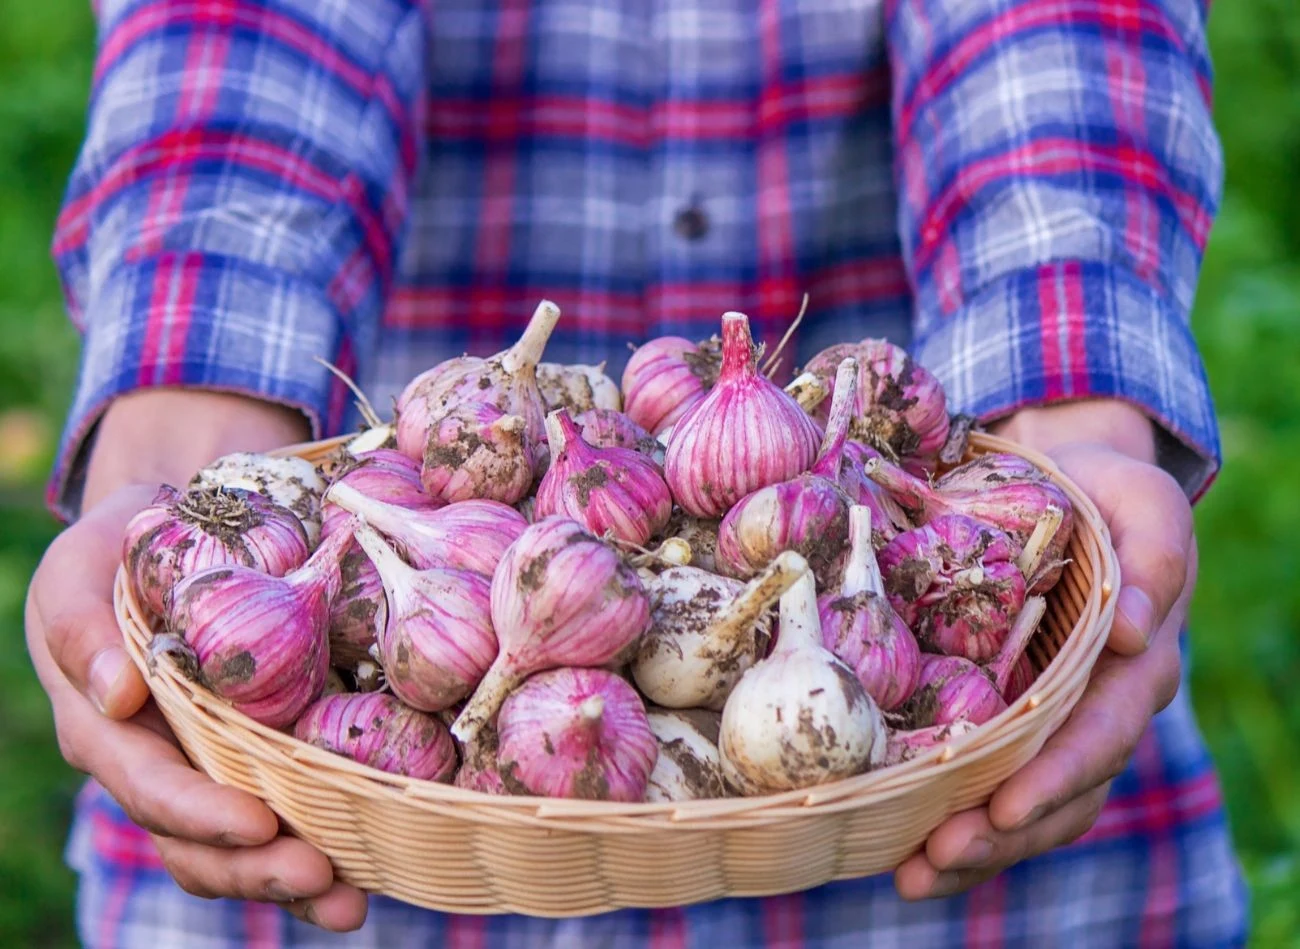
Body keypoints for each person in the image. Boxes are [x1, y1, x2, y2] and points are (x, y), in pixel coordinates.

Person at [25, 0, 1250, 945]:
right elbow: (250, 40)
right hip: (360, 802)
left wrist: (1072, 428)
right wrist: (190, 455)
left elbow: (1051, 37)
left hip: (950, 793)